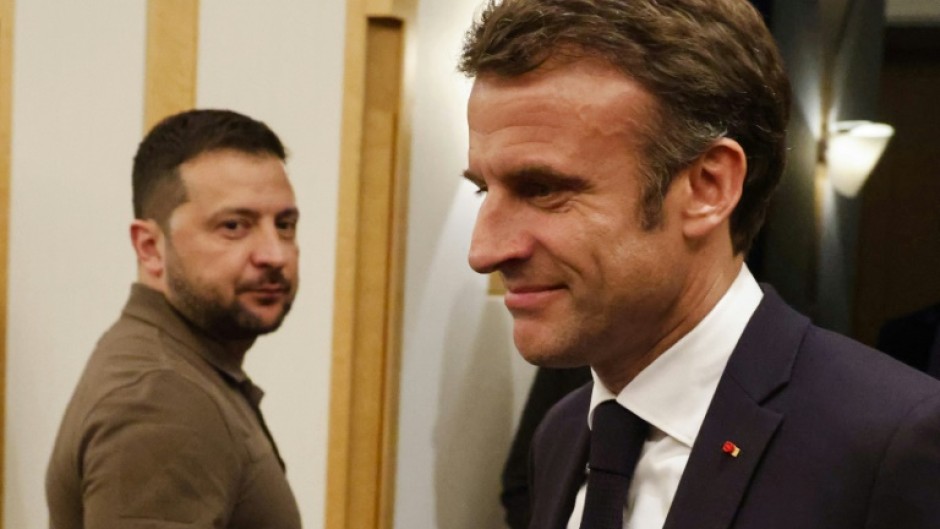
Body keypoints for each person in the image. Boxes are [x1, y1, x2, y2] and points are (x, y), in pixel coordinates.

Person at [458, 1, 940, 528]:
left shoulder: (889, 442)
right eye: (484, 188)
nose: (483, 251)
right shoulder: (564, 433)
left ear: (708, 188)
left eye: (543, 189)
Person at [46, 109, 302, 529]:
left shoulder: (185, 370)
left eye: (285, 225)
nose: (274, 254)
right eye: (235, 225)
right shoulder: (162, 398)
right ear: (149, 246)